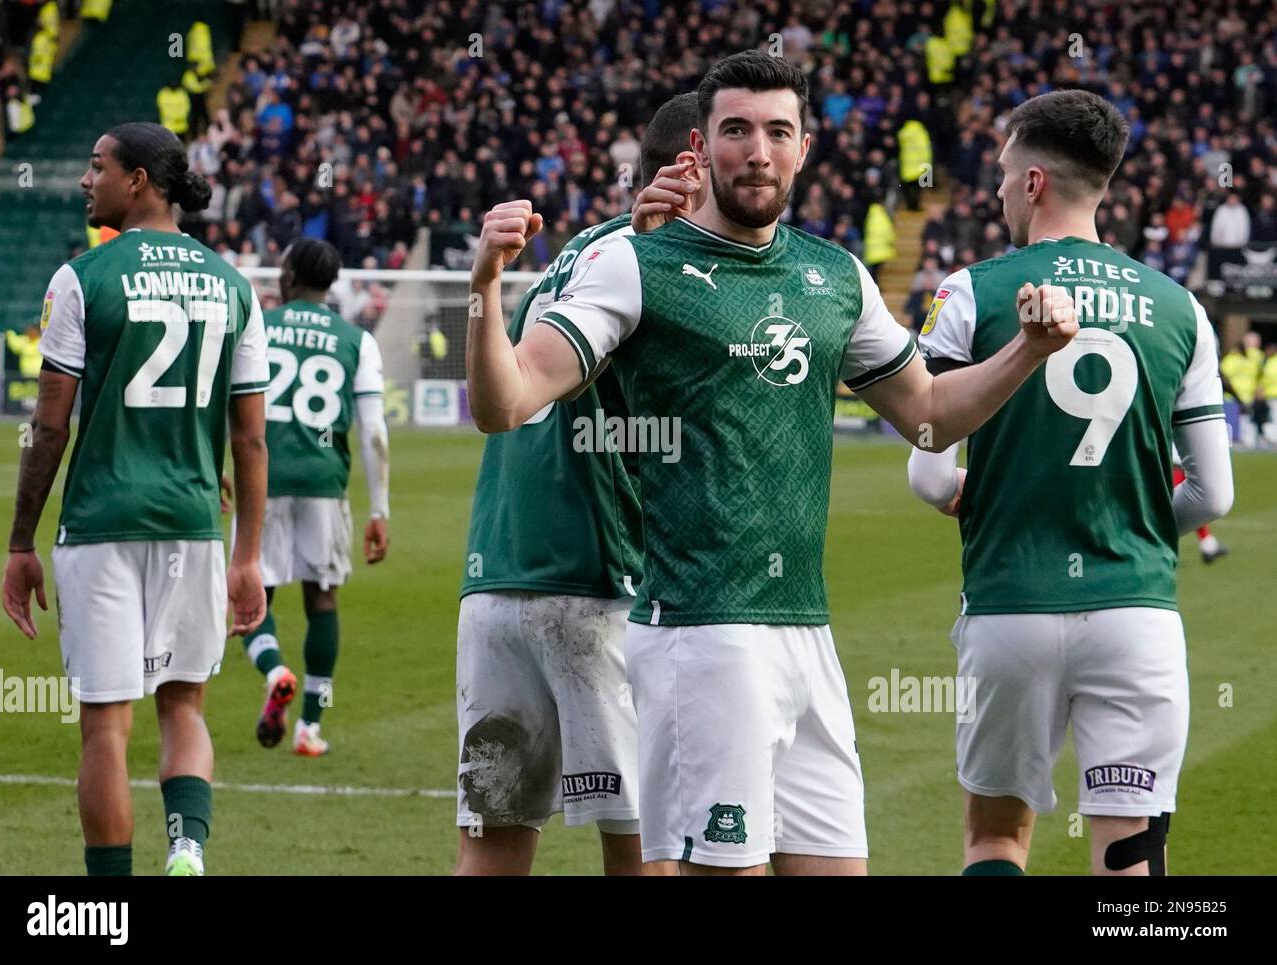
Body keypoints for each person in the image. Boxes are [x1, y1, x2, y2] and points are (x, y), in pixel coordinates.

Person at [466, 51, 1077, 875]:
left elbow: (930, 418)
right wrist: (484, 286)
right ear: (701, 147)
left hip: (806, 633)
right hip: (701, 633)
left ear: (804, 148)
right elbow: (507, 403)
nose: (758, 150)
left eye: (777, 131)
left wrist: (1029, 352)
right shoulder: (635, 264)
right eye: (737, 130)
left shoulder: (836, 276)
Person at [908, 90, 1234, 876]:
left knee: (994, 841)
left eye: (1000, 171)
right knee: (1128, 851)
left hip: (1009, 605)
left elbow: (927, 464)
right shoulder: (1181, 307)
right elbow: (1213, 497)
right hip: (1136, 613)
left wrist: (961, 491)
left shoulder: (968, 291)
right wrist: (1128, 522)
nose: (993, 188)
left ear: (1032, 183)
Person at [0, 122, 269, 876]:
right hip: (192, 523)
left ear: (139, 181)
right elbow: (249, 441)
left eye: (97, 167)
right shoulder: (233, 283)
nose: (87, 181)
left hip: (100, 525)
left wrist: (21, 542)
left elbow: (49, 427)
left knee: (105, 729)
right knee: (183, 705)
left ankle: (109, 903)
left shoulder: (82, 276)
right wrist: (247, 555)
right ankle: (186, 845)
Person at [454, 93, 701, 877]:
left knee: (492, 846)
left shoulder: (573, 261)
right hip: (598, 586)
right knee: (645, 846)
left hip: (495, 584)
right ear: (694, 163)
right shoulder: (655, 259)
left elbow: (500, 398)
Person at [237, 237, 389, 756]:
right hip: (325, 483)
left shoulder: (259, 325)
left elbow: (229, 407)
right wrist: (380, 510)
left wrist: (220, 472)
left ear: (291, 276)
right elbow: (373, 433)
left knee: (256, 594)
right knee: (322, 600)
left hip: (264, 476)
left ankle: (275, 669)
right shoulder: (356, 340)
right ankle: (309, 729)